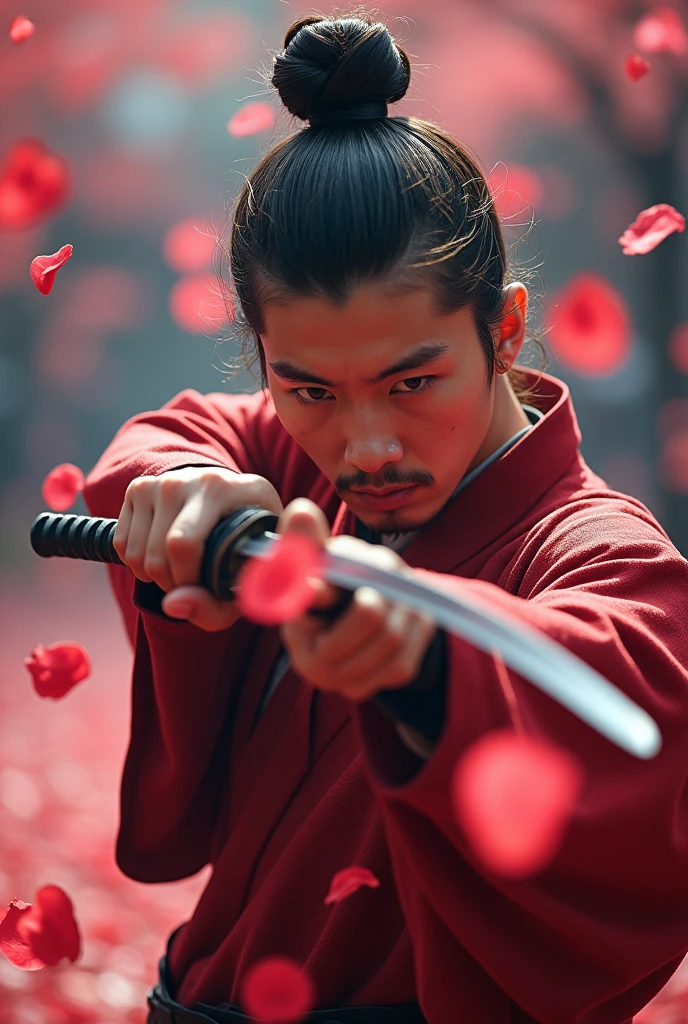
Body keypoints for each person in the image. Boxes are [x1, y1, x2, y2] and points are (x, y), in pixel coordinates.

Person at [82, 11, 688, 1024]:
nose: (364, 445)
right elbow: (173, 436)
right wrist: (185, 487)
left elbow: (623, 662)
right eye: (310, 389)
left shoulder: (590, 545)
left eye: (412, 380)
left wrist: (425, 661)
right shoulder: (291, 466)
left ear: (502, 327)